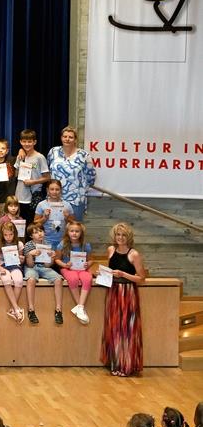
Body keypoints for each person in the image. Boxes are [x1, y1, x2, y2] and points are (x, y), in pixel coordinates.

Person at [101, 222, 146, 377]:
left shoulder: (134, 254)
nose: (120, 238)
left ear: (129, 237)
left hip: (128, 293)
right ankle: (116, 363)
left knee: (127, 330)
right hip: (113, 292)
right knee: (114, 328)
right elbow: (110, 271)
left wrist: (123, 274)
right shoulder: (110, 250)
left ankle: (127, 365)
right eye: (118, 234)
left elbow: (141, 278)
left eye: (123, 235)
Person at [46, 126, 97, 221]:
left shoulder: (84, 155)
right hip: (55, 197)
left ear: (75, 139)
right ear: (61, 138)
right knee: (55, 229)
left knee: (74, 230)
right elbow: (48, 170)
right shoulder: (53, 152)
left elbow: (91, 177)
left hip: (76, 199)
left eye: (70, 137)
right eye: (65, 136)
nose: (67, 139)